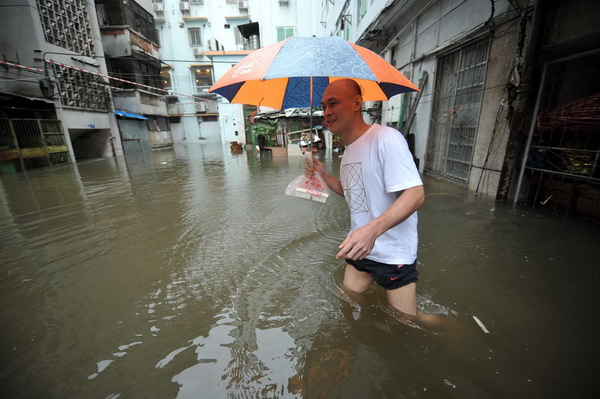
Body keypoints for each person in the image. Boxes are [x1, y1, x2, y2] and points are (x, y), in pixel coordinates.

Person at [305, 79, 425, 317]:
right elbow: (354, 193)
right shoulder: (349, 150)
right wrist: (324, 176)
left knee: (408, 324)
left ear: (357, 103)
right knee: (346, 302)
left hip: (393, 253)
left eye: (333, 103)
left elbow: (415, 194)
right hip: (360, 249)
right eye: (323, 106)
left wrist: (371, 231)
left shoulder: (386, 139)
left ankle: (452, 330)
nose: (327, 112)